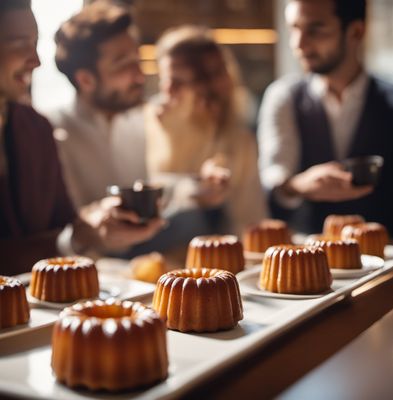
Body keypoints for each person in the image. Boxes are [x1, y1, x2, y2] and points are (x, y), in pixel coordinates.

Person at [49, 2, 229, 258]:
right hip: (86, 261)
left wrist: (198, 187)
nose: (140, 75)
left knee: (195, 221)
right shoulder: (52, 132)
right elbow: (61, 229)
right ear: (86, 80)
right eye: (123, 64)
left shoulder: (140, 117)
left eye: (137, 58)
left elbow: (152, 189)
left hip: (143, 252)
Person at [0, 0, 164, 275]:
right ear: (86, 79)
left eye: (35, 43)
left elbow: (65, 230)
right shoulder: (55, 126)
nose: (36, 61)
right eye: (18, 43)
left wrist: (89, 231)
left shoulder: (36, 128)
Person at [257, 0, 393, 236]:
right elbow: (273, 177)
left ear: (356, 31)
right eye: (294, 28)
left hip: (389, 260)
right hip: (304, 258)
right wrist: (298, 186)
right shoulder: (284, 97)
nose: (298, 44)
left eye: (314, 29)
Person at [145, 25, 267, 236]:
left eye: (178, 82)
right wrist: (190, 188)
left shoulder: (239, 141)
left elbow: (249, 220)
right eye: (165, 79)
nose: (167, 91)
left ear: (210, 86)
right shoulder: (147, 121)